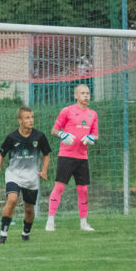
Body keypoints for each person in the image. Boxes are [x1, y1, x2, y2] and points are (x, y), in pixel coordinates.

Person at [0, 106, 52, 243]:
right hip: (14, 175)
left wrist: (44, 170)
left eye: (32, 117)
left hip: (31, 178)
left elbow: (46, 154)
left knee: (29, 210)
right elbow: (1, 155)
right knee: (12, 200)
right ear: (20, 121)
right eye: (27, 118)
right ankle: (3, 235)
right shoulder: (12, 137)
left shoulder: (39, 136)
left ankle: (26, 232)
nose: (31, 120)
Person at [46, 83, 98, 231]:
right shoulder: (67, 111)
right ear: (76, 96)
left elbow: (96, 135)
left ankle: (84, 223)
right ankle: (50, 221)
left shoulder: (92, 114)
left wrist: (91, 139)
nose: (86, 96)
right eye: (82, 93)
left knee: (83, 190)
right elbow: (54, 130)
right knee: (60, 187)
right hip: (66, 156)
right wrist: (62, 134)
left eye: (88, 93)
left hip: (82, 158)